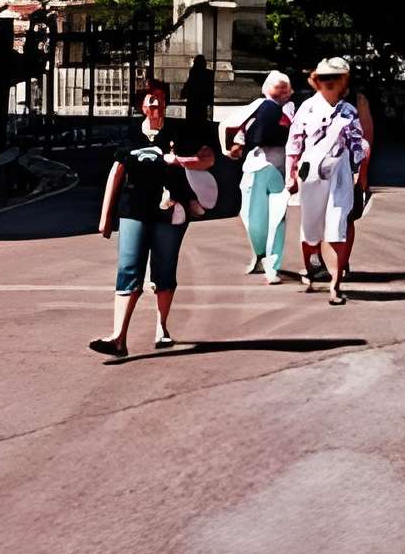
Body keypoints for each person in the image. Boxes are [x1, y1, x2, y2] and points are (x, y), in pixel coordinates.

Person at [90, 87, 212, 357]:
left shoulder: (180, 133)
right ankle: (118, 337)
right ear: (142, 106)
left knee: (164, 268)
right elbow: (116, 175)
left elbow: (207, 159)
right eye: (151, 99)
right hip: (134, 210)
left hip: (171, 211)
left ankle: (162, 327)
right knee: (128, 268)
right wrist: (105, 217)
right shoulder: (130, 137)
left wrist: (181, 161)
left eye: (160, 98)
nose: (157, 102)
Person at [287, 55, 372, 305]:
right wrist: (290, 174)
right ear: (318, 81)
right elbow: (294, 142)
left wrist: (359, 169)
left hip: (340, 173)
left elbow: (358, 142)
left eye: (336, 78)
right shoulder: (307, 108)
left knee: (337, 227)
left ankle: (335, 285)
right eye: (325, 79)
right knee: (311, 228)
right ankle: (311, 265)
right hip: (311, 171)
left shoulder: (348, 111)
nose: (331, 83)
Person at [225, 70, 297, 282]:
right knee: (251, 218)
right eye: (278, 85)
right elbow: (238, 141)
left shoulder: (292, 113)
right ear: (267, 88)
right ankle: (259, 254)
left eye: (285, 86)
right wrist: (234, 149)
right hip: (254, 168)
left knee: (276, 219)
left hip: (279, 169)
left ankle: (272, 266)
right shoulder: (254, 110)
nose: (282, 90)